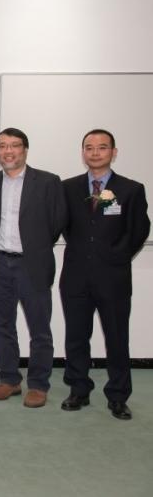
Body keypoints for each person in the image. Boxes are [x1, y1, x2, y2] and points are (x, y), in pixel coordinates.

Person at [60, 129, 150, 420]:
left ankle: (118, 396)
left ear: (114, 152)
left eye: (102, 147)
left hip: (113, 277)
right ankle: (78, 390)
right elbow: (65, 225)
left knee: (116, 337)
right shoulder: (68, 188)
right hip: (75, 275)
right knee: (76, 336)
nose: (95, 153)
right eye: (89, 147)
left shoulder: (131, 189)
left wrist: (117, 255)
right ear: (82, 152)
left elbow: (139, 230)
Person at [0, 128, 66, 408]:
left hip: (33, 264)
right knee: (2, 327)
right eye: (2, 146)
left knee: (39, 328)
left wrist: (34, 246)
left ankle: (39, 385)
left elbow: (56, 223)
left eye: (14, 145)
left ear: (25, 150)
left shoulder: (48, 182)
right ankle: (10, 380)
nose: (8, 151)